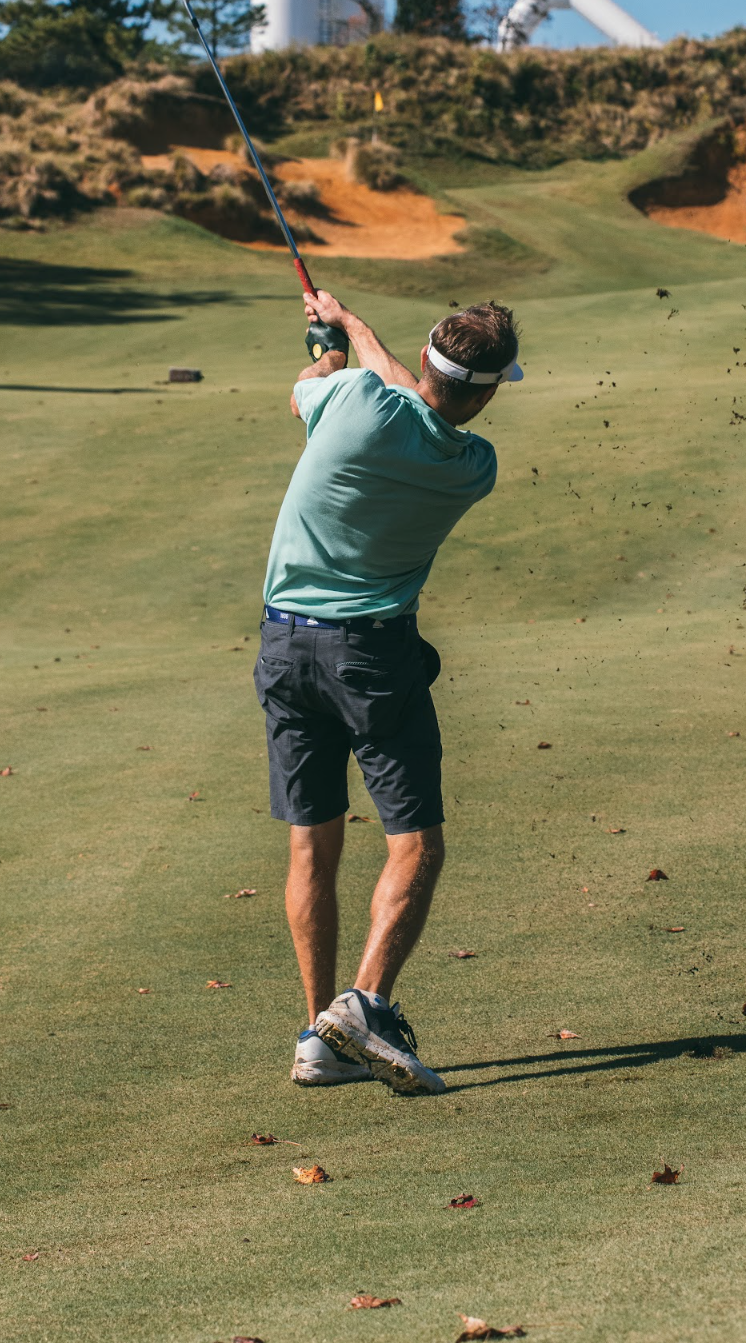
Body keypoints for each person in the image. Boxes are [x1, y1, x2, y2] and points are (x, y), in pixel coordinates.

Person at [253, 287, 522, 1096]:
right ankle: (364, 1005)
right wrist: (355, 330)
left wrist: (334, 344)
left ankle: (319, 1038)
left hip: (283, 647)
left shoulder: (350, 400)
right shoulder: (472, 466)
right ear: (486, 394)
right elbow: (423, 399)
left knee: (312, 845)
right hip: (372, 656)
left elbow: (328, 389)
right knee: (415, 844)